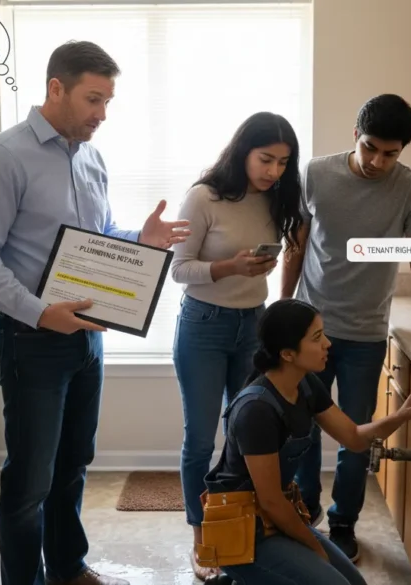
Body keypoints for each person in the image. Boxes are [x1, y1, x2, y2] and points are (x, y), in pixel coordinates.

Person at [0, 40, 191, 585]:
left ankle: (67, 566)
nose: (101, 115)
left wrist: (141, 238)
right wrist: (41, 313)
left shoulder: (90, 156)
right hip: (31, 340)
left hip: (89, 337)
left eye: (108, 101)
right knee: (30, 479)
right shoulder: (3, 157)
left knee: (73, 465)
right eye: (93, 99)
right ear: (55, 88)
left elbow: (97, 239)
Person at [280, 93, 411, 562]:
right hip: (309, 332)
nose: (378, 161)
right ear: (355, 136)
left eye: (390, 153)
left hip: (364, 334)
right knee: (300, 427)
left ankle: (343, 523)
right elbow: (296, 247)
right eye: (370, 148)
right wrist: (282, 309)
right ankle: (304, 511)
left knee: (357, 435)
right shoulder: (317, 174)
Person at [199, 298, 411, 585]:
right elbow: (272, 501)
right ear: (287, 353)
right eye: (317, 338)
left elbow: (355, 438)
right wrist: (314, 548)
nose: (328, 344)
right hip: (244, 534)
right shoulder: (256, 410)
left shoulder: (306, 385)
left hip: (272, 520)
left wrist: (402, 415)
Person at [168, 112, 305, 581]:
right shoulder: (204, 196)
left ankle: (245, 531)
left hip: (254, 324)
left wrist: (260, 271)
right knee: (201, 440)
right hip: (203, 326)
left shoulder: (277, 198)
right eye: (265, 159)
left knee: (247, 438)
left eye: (283, 162)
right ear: (242, 150)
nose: (273, 171)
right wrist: (230, 267)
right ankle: (202, 539)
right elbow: (178, 270)